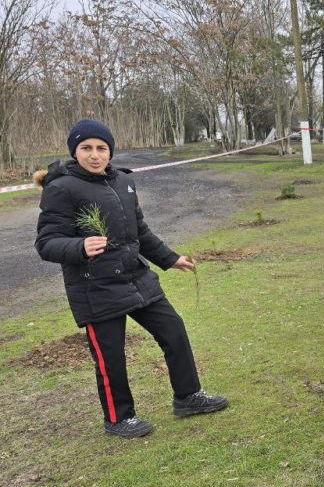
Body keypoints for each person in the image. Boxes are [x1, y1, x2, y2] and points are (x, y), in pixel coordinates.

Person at [34, 119, 228, 439]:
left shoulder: (123, 182)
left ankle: (188, 397)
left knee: (174, 330)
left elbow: (140, 232)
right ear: (74, 151)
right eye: (86, 148)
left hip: (135, 277)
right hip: (94, 286)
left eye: (101, 148)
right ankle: (118, 417)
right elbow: (45, 243)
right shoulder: (61, 188)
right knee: (111, 356)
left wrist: (170, 258)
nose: (94, 155)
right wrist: (79, 246)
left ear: (110, 151)